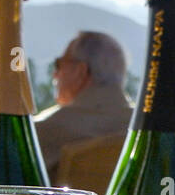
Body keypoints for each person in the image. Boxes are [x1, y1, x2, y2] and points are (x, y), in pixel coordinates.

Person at [34, 31, 133, 177]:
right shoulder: (144, 131)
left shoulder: (44, 131)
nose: (55, 74)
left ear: (81, 71)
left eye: (59, 64)